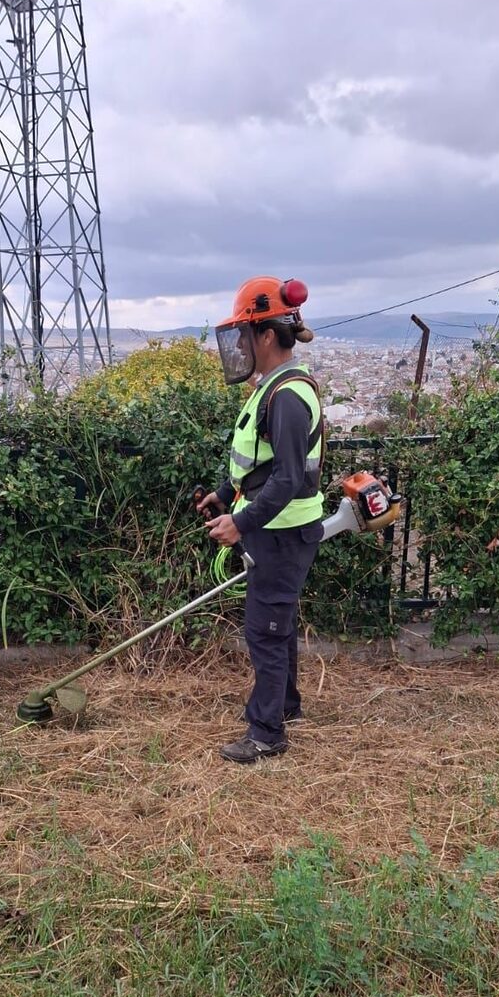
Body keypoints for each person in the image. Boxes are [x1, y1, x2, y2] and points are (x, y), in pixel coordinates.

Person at [197, 276, 324, 764]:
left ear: (266, 336)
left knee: (265, 629)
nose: (241, 344)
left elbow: (290, 478)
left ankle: (266, 733)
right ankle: (284, 705)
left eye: (245, 334)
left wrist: (241, 522)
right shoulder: (270, 389)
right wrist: (224, 494)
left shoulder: (289, 395)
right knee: (278, 623)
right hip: (276, 528)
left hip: (283, 532)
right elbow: (261, 462)